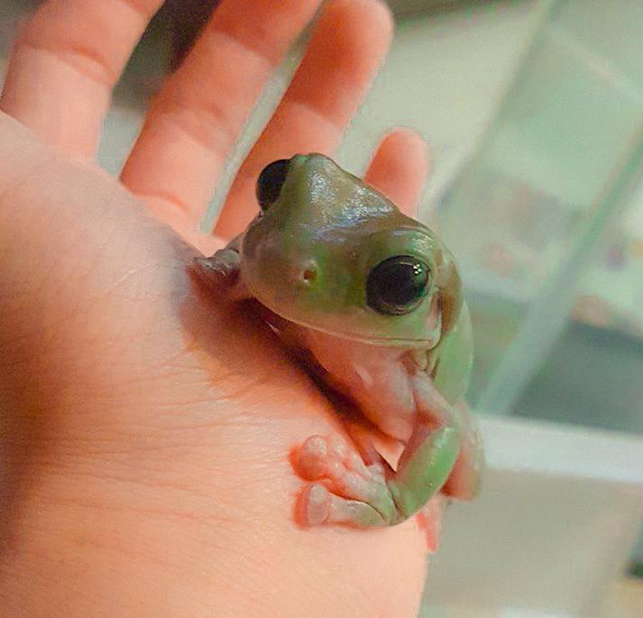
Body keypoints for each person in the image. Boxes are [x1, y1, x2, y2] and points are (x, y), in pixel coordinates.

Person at [0, 1, 435, 616]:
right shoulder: (287, 262)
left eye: (397, 280)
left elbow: (444, 428)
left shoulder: (414, 385)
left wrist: (406, 494)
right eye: (276, 192)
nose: (296, 264)